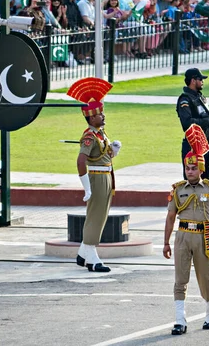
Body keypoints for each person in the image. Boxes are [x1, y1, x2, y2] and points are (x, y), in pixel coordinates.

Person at [163, 124, 209, 335]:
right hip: (182, 236)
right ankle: (180, 320)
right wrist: (165, 242)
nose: (189, 171)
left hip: (204, 236)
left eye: (193, 168)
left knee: (206, 278)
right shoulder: (178, 189)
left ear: (201, 169)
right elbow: (171, 217)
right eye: (187, 168)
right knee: (180, 280)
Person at [66, 77, 122, 273]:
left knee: (101, 215)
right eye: (99, 114)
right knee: (95, 217)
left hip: (105, 175)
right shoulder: (89, 136)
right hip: (97, 178)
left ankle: (83, 254)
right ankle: (92, 257)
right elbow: (81, 161)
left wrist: (114, 150)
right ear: (91, 118)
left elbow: (104, 155)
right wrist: (87, 187)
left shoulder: (100, 133)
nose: (103, 116)